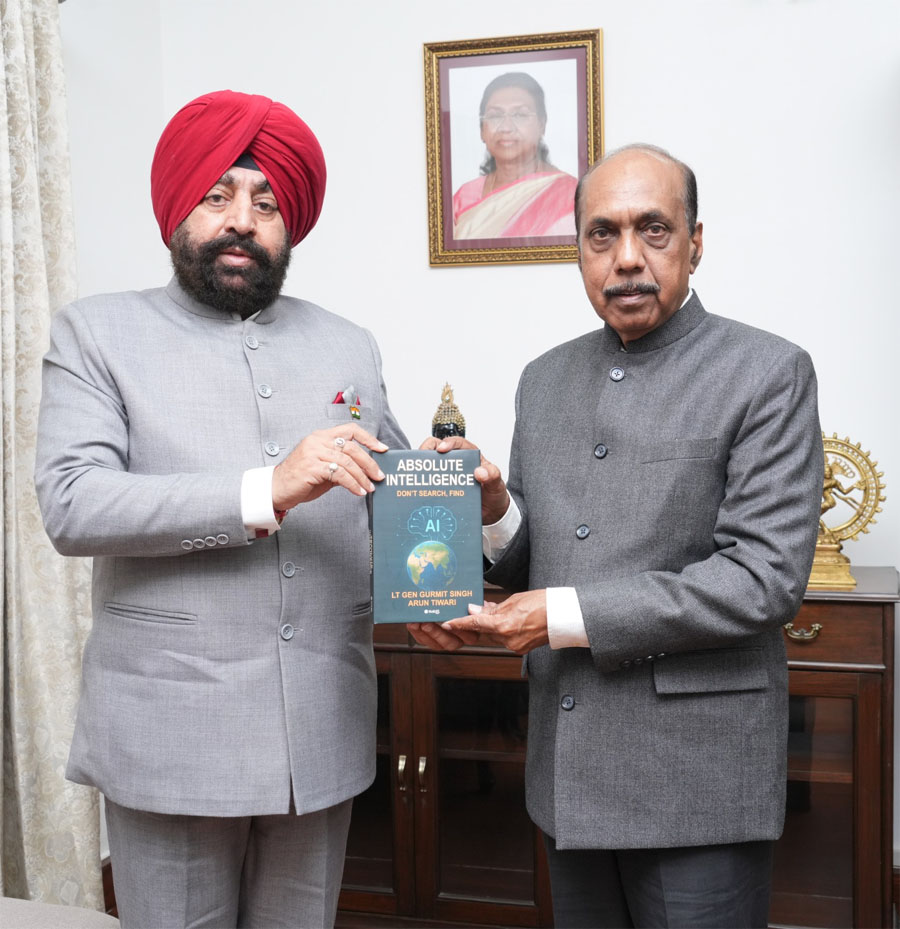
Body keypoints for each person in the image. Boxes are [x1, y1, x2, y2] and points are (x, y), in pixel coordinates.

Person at [413, 144, 823, 928]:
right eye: (602, 234)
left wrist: (562, 615)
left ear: (695, 242)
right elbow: (538, 558)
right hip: (567, 775)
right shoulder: (545, 378)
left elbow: (762, 579)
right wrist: (495, 507)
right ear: (578, 249)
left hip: (696, 783)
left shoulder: (768, 372)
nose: (627, 257)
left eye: (653, 229)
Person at [34, 90, 408, 929]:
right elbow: (72, 501)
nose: (242, 219)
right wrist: (265, 488)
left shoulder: (348, 343)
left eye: (267, 203)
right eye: (218, 195)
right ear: (178, 208)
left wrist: (471, 501)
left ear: (290, 224)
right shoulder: (97, 333)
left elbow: (393, 490)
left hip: (320, 731)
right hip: (171, 734)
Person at [452, 71, 577, 239]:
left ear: (542, 124)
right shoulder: (464, 197)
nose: (506, 127)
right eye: (495, 116)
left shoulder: (570, 193)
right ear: (482, 130)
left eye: (520, 115)